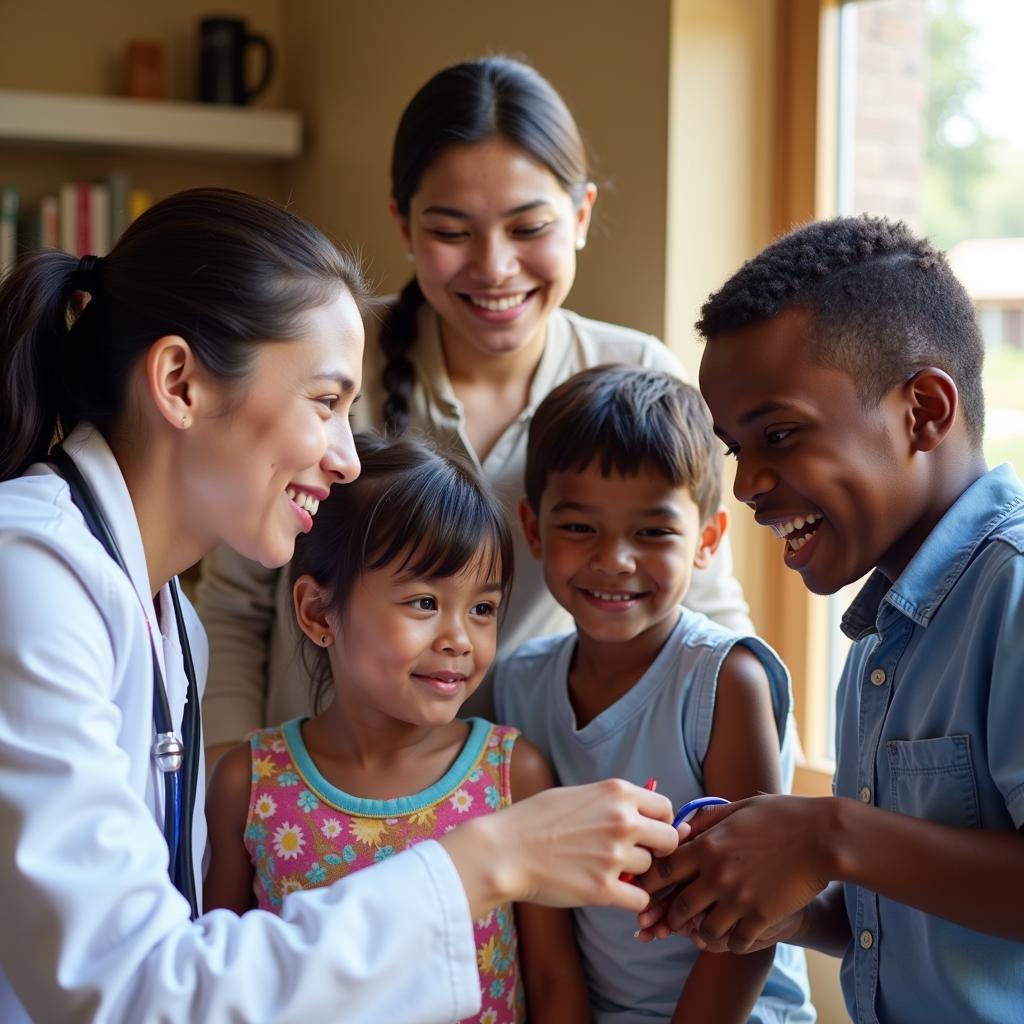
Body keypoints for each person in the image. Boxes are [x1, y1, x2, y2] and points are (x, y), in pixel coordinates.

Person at [0, 186, 681, 1023]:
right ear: (180, 382)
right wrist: (487, 861)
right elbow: (131, 989)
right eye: (325, 403)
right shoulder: (29, 577)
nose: (347, 459)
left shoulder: (163, 613)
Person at [197, 55, 752, 765]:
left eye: (528, 229)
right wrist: (231, 785)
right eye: (453, 232)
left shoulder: (637, 375)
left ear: (581, 215)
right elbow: (236, 604)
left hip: (524, 799)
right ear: (402, 223)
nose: (493, 267)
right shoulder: (332, 363)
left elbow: (706, 611)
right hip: (319, 794)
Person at [635, 216, 1024, 1024]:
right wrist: (796, 912)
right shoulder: (878, 639)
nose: (745, 487)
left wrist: (825, 837)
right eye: (736, 448)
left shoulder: (1012, 591)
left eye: (779, 434)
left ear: (923, 410)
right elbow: (918, 909)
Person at [205, 432, 591, 1022]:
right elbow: (217, 974)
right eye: (423, 603)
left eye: (482, 609)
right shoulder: (249, 784)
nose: (459, 638)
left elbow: (552, 978)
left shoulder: (512, 777)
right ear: (317, 613)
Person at [492, 366, 814, 1023]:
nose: (614, 559)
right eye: (580, 528)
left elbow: (753, 916)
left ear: (706, 540)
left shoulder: (726, 680)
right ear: (534, 528)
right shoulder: (516, 683)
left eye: (653, 533)